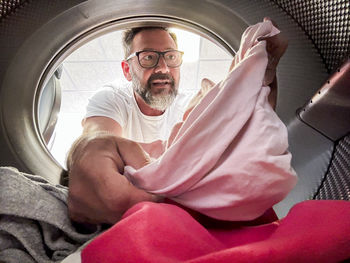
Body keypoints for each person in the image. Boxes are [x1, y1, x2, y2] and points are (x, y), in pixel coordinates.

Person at [66, 18, 288, 224]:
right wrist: (87, 150)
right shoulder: (113, 99)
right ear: (127, 70)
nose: (163, 68)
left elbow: (236, 135)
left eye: (171, 57)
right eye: (148, 58)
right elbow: (97, 135)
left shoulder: (188, 109)